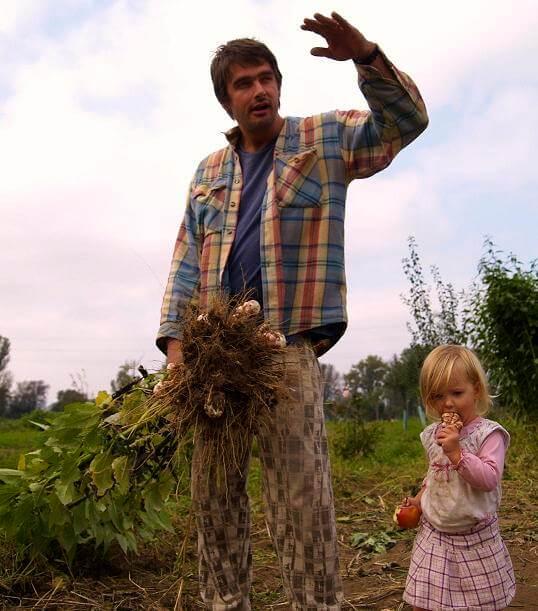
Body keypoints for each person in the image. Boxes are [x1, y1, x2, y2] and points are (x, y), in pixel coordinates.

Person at [157, 11, 428, 610]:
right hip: (212, 363)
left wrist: (366, 53)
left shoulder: (324, 140)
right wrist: (176, 352)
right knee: (214, 502)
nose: (259, 90)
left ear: (279, 83)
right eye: (243, 83)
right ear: (226, 100)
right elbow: (183, 266)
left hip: (286, 351)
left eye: (265, 78)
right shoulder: (207, 173)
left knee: (301, 502)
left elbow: (406, 122)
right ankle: (229, 604)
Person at [402, 345, 516, 611]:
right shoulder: (433, 435)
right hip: (435, 535)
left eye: (457, 393)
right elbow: (436, 476)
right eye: (438, 396)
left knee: (478, 602)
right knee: (424, 602)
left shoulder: (489, 435)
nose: (448, 403)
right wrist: (418, 502)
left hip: (474, 537)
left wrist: (457, 452)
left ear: (476, 389)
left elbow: (489, 478)